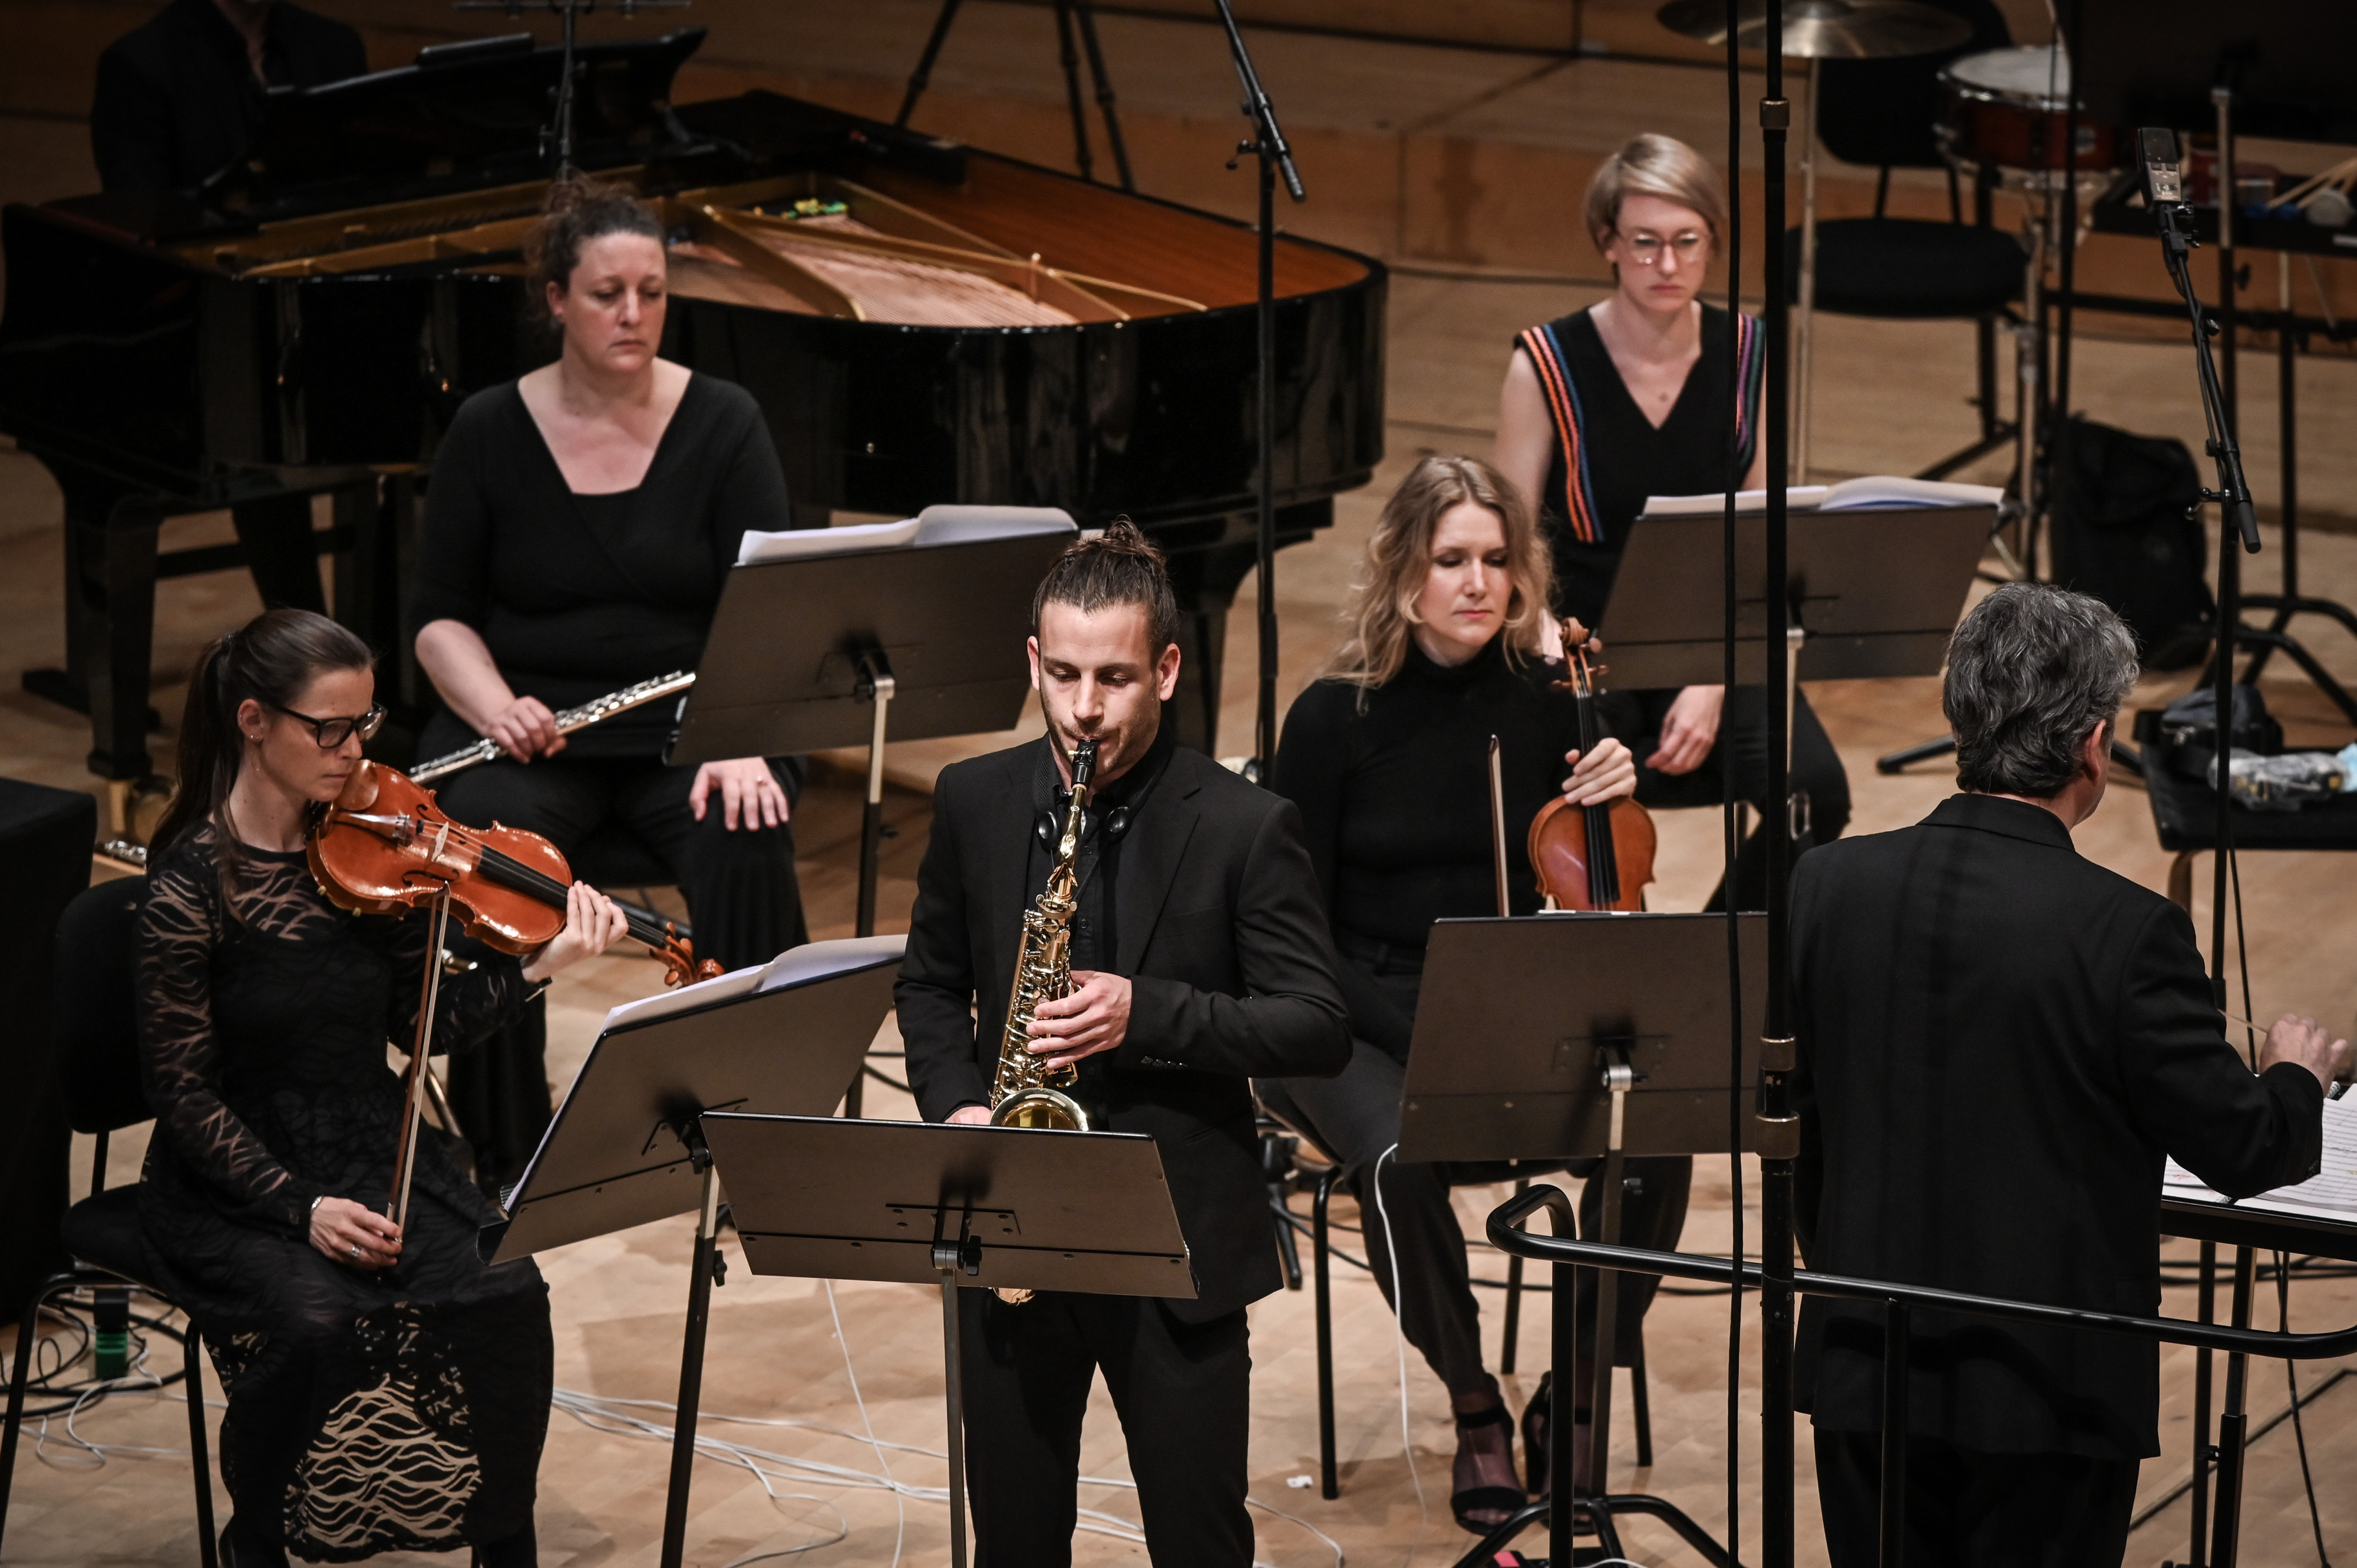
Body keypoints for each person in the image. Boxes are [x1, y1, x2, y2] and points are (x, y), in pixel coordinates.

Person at [1791, 582, 2349, 1568]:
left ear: (1959, 718)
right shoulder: (2130, 932)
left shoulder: (1826, 885)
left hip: (1863, 1365)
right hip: (2047, 1393)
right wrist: (2295, 1074)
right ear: (2095, 744)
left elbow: (1801, 1123)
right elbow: (2246, 1147)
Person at [896, 521, 1351, 1567]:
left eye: (1114, 677)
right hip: (1014, 1222)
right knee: (1016, 1542)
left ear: (1168, 670)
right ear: (1033, 661)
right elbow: (929, 984)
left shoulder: (1244, 824)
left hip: (1176, 1241)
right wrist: (960, 1107)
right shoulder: (975, 798)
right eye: (1062, 675)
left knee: (1197, 1542)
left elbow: (1316, 1022)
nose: (1084, 709)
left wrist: (1147, 1013)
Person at [136, 608, 627, 1568]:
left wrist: (538, 967)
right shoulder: (188, 887)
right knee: (316, 1322)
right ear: (253, 722)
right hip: (238, 1177)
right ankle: (258, 1541)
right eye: (330, 729)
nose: (356, 751)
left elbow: (419, 1027)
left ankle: (501, 1546)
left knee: (506, 1289)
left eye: (363, 724)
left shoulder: (369, 853)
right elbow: (183, 1094)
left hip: (367, 1138)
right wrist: (303, 1207)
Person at [1265, 454, 1676, 1531]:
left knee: (1655, 1140)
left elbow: (1598, 891)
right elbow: (1297, 933)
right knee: (1399, 1160)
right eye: (1452, 559)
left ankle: (1571, 1392)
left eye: (1497, 559)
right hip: (1356, 1011)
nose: (1479, 582)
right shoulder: (1331, 718)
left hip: (1505, 998)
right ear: (1403, 570)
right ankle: (1474, 1399)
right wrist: (1424, 1034)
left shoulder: (1552, 702)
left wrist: (1610, 783)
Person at [408, 176, 807, 1187]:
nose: (633, 313)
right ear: (556, 299)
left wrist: (738, 732)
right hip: (536, 735)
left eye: (652, 293)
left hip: (694, 727)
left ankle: (764, 1121)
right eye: (606, 293)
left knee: (747, 821)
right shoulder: (489, 428)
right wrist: (495, 705)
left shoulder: (725, 421)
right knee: (490, 848)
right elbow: (438, 617)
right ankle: (507, 1148)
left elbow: (769, 609)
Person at [1494, 131, 1850, 909]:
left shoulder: (1749, 352)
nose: (1667, 264)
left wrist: (1714, 679)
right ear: (1608, 243)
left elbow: (1762, 539)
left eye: (1687, 242)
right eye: (1645, 242)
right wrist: (1545, 638)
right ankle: (1611, 951)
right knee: (1578, 805)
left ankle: (1718, 954)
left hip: (1713, 639)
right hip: (1586, 646)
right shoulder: (1544, 362)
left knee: (1814, 795)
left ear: (1712, 243)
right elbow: (1508, 545)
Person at [91, 0, 369, 618]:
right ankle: (308, 646)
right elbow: (140, 229)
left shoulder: (332, 48)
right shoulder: (141, 65)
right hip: (192, 334)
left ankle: (399, 642)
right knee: (259, 420)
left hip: (326, 310)